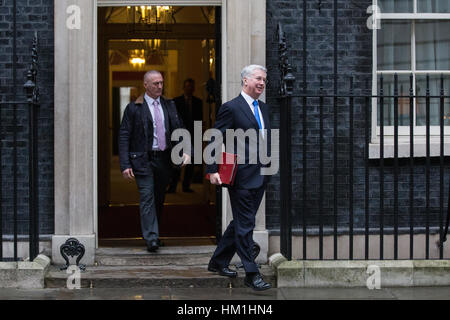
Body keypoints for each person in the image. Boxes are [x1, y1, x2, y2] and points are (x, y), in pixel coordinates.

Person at [206, 65, 272, 291]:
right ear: (245, 81)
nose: (262, 83)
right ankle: (252, 274)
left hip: (261, 174)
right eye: (258, 79)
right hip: (241, 176)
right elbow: (215, 137)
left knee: (241, 222)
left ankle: (218, 261)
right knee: (246, 225)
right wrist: (212, 169)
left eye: (264, 79)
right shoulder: (231, 108)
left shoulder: (263, 108)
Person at [119, 70, 190, 253]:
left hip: (164, 160)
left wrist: (185, 151)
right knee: (147, 197)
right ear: (145, 85)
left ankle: (154, 234)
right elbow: (124, 136)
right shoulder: (134, 108)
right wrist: (125, 164)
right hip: (143, 160)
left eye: (161, 83)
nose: (160, 86)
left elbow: (180, 128)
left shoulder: (169, 105)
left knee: (159, 198)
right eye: (155, 83)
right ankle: (151, 238)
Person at [167, 78, 203, 193]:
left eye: (191, 86)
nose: (189, 88)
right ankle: (172, 186)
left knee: (190, 163)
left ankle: (186, 186)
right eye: (187, 86)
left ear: (194, 88)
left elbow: (200, 120)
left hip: (193, 135)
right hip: (179, 135)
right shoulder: (176, 101)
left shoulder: (199, 102)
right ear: (184, 88)